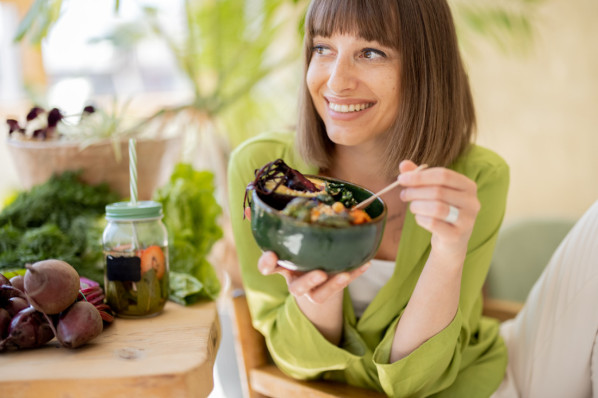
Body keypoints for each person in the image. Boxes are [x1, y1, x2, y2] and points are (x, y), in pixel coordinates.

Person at [227, 1, 598, 397]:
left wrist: (448, 253)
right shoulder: (265, 172)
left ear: (425, 68)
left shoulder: (475, 177)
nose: (336, 81)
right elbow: (294, 362)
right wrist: (320, 290)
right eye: (322, 48)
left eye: (371, 52)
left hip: (494, 377)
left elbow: (428, 375)